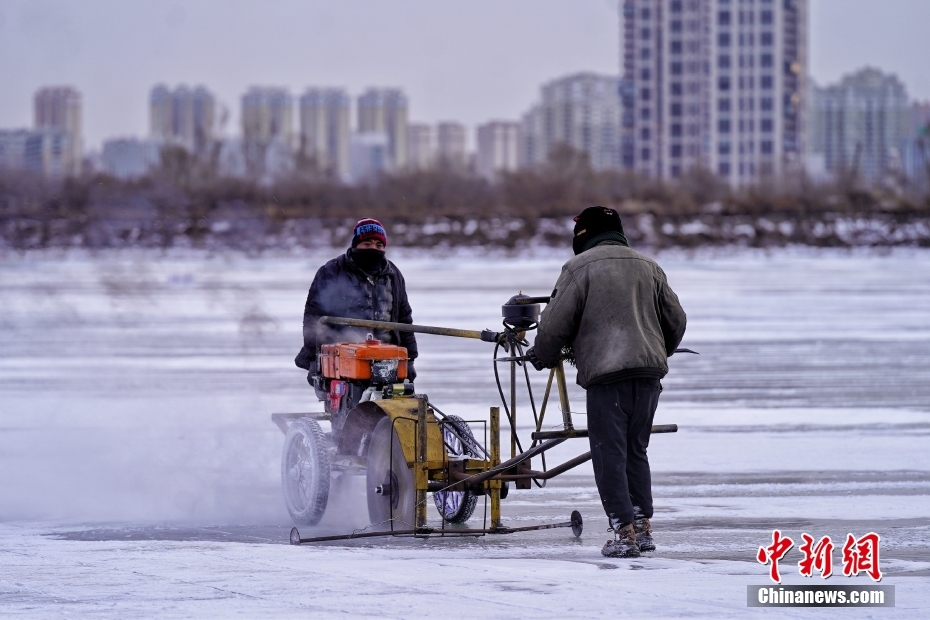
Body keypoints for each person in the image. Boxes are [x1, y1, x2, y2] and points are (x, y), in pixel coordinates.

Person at [526, 206, 686, 558]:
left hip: (607, 377)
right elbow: (676, 320)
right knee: (635, 450)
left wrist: (542, 354)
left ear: (584, 234)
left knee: (609, 453)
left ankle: (623, 532)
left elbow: (553, 326)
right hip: (648, 376)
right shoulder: (649, 266)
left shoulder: (579, 268)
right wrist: (657, 351)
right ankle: (643, 527)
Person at [295, 218, 418, 387]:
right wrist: (314, 359)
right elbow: (314, 318)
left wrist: (410, 359)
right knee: (350, 406)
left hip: (388, 358)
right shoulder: (332, 272)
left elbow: (404, 319)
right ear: (355, 245)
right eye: (367, 244)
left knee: (392, 406)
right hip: (343, 361)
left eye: (378, 245)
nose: (373, 249)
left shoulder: (393, 275)